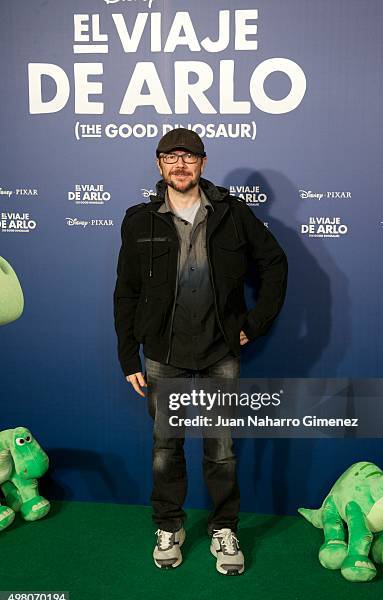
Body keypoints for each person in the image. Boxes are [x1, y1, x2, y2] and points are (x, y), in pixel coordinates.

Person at [114, 128, 288, 575]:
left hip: (219, 353)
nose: (180, 164)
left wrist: (255, 322)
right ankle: (168, 525)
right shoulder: (139, 220)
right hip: (162, 354)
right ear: (159, 165)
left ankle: (223, 528)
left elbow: (274, 263)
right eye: (170, 157)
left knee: (222, 450)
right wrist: (128, 356)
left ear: (203, 164)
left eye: (189, 157)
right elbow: (126, 293)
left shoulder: (232, 214)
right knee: (165, 448)